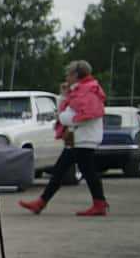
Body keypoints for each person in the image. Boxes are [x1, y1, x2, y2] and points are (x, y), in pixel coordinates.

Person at [19, 61, 108, 216]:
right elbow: (68, 108)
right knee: (63, 171)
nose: (66, 76)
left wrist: (64, 118)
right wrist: (64, 96)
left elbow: (83, 115)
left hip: (83, 139)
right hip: (78, 139)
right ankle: (41, 203)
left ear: (75, 75)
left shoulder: (87, 91)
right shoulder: (81, 90)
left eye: (68, 73)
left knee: (83, 171)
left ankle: (98, 204)